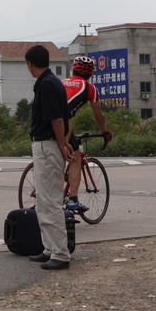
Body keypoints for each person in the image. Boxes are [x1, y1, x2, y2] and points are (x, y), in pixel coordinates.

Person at [24, 44, 72, 270]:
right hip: (49, 145)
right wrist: (64, 142)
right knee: (43, 201)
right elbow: (66, 118)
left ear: (30, 64)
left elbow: (57, 120)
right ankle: (49, 248)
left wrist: (62, 145)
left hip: (47, 145)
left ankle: (61, 254)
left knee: (50, 201)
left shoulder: (46, 85)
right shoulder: (54, 83)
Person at [61, 56, 112, 212]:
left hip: (45, 121)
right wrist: (104, 132)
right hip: (62, 122)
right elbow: (99, 115)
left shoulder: (61, 83)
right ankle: (73, 200)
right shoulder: (90, 88)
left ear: (73, 69)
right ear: (91, 73)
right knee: (75, 158)